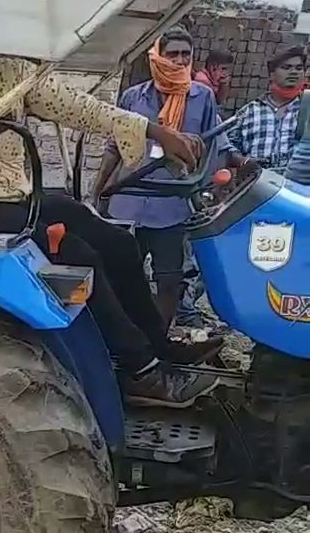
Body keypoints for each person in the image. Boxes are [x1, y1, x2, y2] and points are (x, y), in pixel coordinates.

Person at [0, 49, 222, 408]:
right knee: (79, 258)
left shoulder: (13, 77)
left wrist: (155, 132)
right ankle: (140, 369)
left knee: (119, 244)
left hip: (22, 197)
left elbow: (80, 108)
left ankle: (161, 344)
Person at [89, 29, 254, 327]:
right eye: (172, 53)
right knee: (122, 276)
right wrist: (97, 192)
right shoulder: (133, 97)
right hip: (129, 200)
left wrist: (215, 181)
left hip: (172, 206)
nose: (179, 60)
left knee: (169, 280)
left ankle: (159, 339)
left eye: (185, 55)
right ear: (158, 56)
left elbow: (214, 146)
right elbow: (114, 146)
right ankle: (125, 340)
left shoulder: (202, 97)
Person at [230, 47, 306, 171]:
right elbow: (228, 148)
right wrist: (245, 162)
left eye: (299, 68)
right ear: (271, 74)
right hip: (258, 185)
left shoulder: (306, 109)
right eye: (286, 68)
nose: (294, 72)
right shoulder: (249, 112)